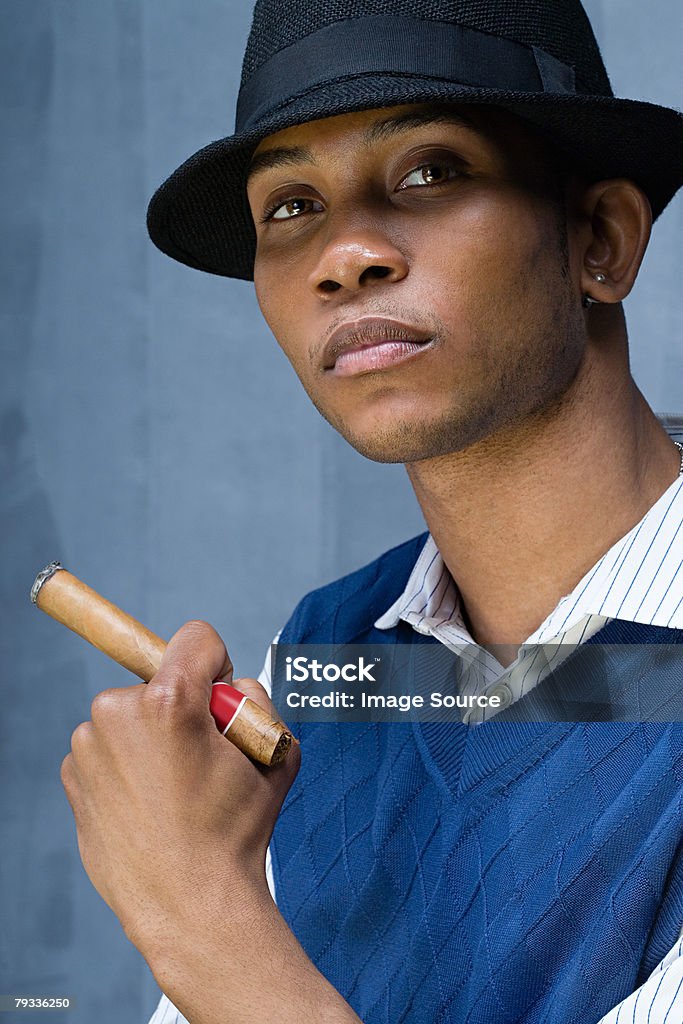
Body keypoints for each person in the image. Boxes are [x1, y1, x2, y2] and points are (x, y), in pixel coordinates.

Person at [59, 0, 683, 1021]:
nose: (344, 255)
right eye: (289, 206)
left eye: (430, 171)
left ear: (600, 240)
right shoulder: (318, 665)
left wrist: (200, 917)